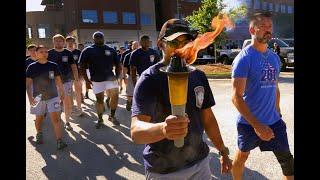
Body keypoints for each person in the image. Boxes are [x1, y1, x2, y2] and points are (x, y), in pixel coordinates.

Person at [130, 18, 232, 179]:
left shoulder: (198, 76)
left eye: (186, 42)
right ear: (160, 44)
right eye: (174, 42)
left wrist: (223, 151)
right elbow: (136, 131)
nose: (181, 47)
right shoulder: (149, 79)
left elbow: (208, 118)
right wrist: (163, 129)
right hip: (164, 171)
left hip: (200, 163)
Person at [231, 12, 294, 180]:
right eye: (263, 26)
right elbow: (236, 97)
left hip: (274, 122)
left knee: (288, 163)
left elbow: (275, 87)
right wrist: (257, 126)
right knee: (242, 157)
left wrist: (278, 112)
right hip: (249, 124)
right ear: (252, 29)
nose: (268, 30)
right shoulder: (244, 59)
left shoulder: (274, 58)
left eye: (270, 27)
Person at [26, 45, 67, 150]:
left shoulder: (53, 65)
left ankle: (59, 141)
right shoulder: (32, 67)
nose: (44, 54)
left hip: (52, 95)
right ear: (36, 53)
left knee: (56, 118)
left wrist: (62, 91)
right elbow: (28, 84)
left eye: (46, 52)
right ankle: (39, 133)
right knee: (39, 118)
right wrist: (30, 98)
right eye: (41, 52)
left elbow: (57, 80)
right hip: (38, 97)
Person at [78, 31, 121, 128]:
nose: (99, 38)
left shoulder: (110, 49)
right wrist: (86, 80)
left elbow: (118, 64)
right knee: (99, 100)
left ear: (103, 38)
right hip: (97, 80)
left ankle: (112, 116)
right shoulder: (88, 50)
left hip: (111, 78)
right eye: (96, 37)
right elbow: (82, 66)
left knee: (115, 96)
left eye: (100, 36)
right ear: (93, 39)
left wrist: (117, 76)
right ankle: (100, 119)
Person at [48, 34, 80, 131]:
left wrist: (76, 79)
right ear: (53, 42)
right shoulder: (49, 53)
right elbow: (47, 68)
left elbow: (73, 67)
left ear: (63, 42)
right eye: (56, 41)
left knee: (67, 102)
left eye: (60, 41)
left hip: (67, 81)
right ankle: (57, 119)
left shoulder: (68, 53)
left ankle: (67, 122)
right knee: (55, 102)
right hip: (53, 82)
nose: (58, 42)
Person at [66, 36, 84, 114]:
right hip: (67, 76)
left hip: (78, 75)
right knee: (69, 92)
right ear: (66, 42)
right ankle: (72, 107)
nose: (70, 43)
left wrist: (82, 75)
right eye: (68, 41)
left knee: (78, 91)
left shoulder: (78, 52)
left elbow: (82, 64)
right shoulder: (64, 52)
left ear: (74, 42)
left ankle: (79, 107)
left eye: (72, 41)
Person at [123, 41, 139, 111]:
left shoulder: (142, 54)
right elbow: (125, 67)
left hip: (141, 76)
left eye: (137, 45)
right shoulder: (128, 56)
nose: (135, 47)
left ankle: (138, 105)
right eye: (134, 45)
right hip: (130, 76)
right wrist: (124, 77)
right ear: (131, 46)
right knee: (130, 92)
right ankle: (129, 102)